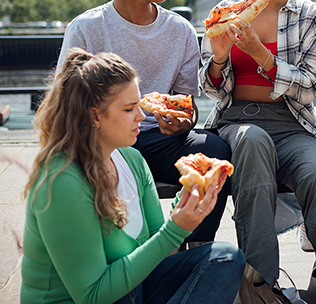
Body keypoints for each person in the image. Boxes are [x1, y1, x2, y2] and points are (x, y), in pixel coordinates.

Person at [200, 0, 316, 303]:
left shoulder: (311, 16)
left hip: (292, 123)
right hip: (236, 121)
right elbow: (210, 88)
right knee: (252, 141)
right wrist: (219, 57)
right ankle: (259, 283)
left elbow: (313, 85)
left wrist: (260, 54)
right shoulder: (227, 11)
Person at [21, 49, 245, 304]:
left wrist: (184, 208)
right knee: (122, 282)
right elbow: (93, 295)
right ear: (95, 115)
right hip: (97, 298)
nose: (142, 116)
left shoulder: (132, 160)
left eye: (138, 106)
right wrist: (175, 230)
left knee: (226, 257)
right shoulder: (62, 181)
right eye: (129, 109)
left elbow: (161, 251)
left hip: (131, 292)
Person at [56, 0, 231, 245]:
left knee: (214, 150)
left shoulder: (180, 31)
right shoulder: (87, 28)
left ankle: (195, 248)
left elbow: (185, 104)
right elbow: (66, 105)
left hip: (157, 140)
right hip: (103, 141)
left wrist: (180, 123)